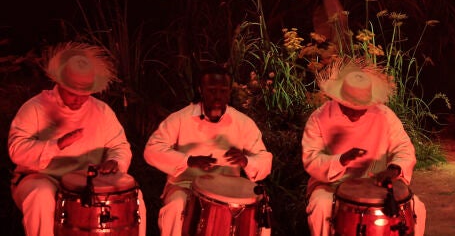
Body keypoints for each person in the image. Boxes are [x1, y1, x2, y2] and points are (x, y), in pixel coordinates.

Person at [8, 42, 147, 236]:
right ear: (60, 83)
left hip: (88, 182)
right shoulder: (35, 108)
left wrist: (115, 161)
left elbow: (119, 146)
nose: (79, 100)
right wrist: (57, 144)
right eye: (73, 93)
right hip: (42, 178)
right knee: (41, 196)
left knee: (134, 196)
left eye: (85, 94)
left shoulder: (101, 111)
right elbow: (16, 150)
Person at [143, 64, 273, 236]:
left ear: (229, 92)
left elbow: (264, 160)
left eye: (223, 91)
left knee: (261, 214)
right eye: (212, 90)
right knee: (175, 206)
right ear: (201, 90)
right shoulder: (180, 118)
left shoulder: (243, 123)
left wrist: (246, 161)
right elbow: (152, 150)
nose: (217, 96)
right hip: (185, 185)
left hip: (229, 190)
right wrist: (188, 161)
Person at [302, 58, 427, 235]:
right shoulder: (319, 118)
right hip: (330, 186)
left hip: (376, 185)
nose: (355, 112)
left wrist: (394, 169)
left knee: (417, 207)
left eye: (361, 107)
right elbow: (311, 159)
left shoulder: (385, 116)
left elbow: (404, 149)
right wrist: (341, 160)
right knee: (321, 206)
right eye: (349, 107)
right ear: (339, 100)